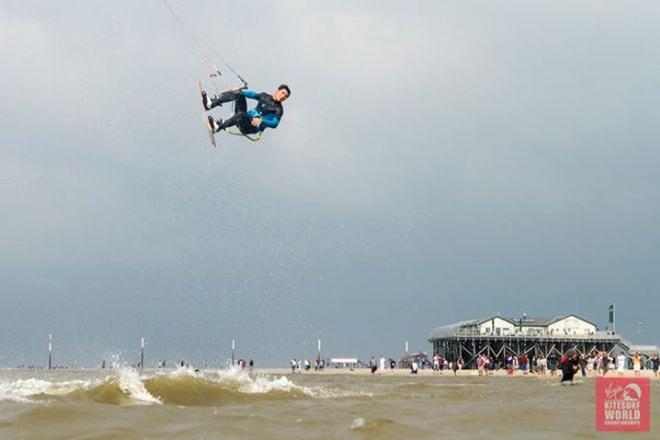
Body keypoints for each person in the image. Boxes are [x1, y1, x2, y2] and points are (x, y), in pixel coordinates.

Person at [201, 84, 290, 135]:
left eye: (286, 96)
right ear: (277, 90)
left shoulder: (278, 109)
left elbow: (274, 124)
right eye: (283, 93)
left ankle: (218, 127)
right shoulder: (265, 96)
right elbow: (252, 94)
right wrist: (239, 91)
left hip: (249, 127)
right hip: (243, 118)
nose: (283, 97)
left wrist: (262, 120)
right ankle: (211, 104)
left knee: (241, 114)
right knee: (239, 94)